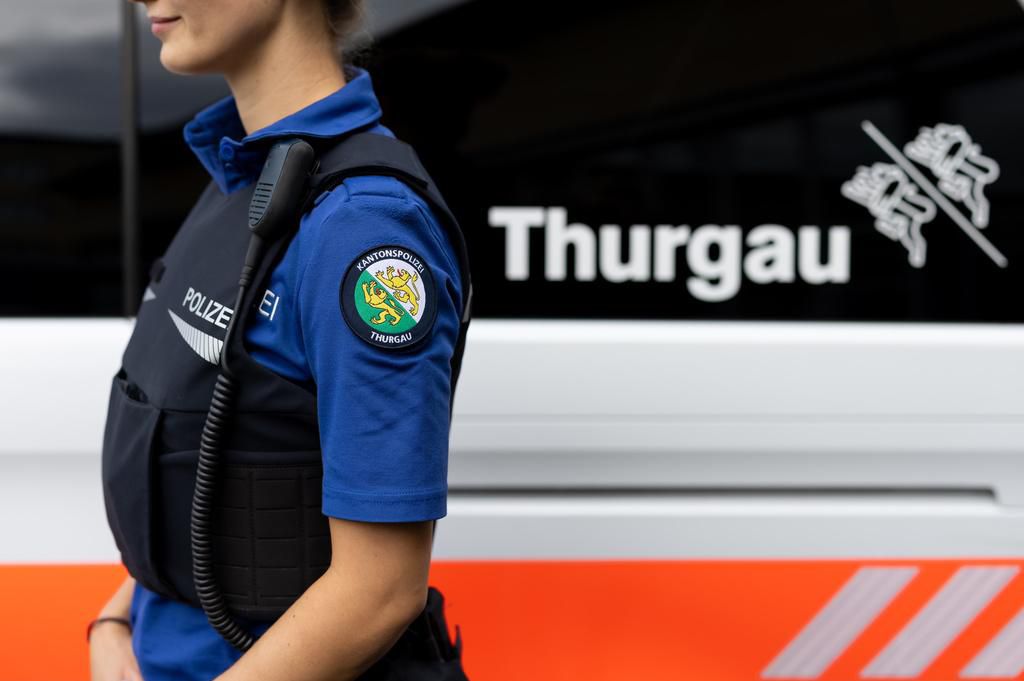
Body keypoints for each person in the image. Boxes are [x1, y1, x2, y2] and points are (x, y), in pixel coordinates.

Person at [89, 1, 469, 680]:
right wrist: (117, 620)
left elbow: (379, 590)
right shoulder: (246, 170)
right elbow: (215, 472)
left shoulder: (363, 224)